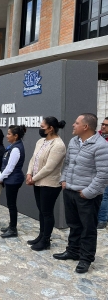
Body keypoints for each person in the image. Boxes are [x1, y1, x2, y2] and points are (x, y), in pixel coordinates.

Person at [53, 113, 108, 274]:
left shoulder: (101, 146)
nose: (73, 125)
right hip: (69, 191)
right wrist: (63, 180)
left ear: (86, 127)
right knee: (74, 225)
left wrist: (88, 192)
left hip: (87, 195)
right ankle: (73, 251)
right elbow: (68, 163)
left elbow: (103, 174)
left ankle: (86, 258)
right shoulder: (73, 141)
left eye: (76, 123)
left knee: (88, 228)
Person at [26, 117, 66, 250]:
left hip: (50, 184)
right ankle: (41, 235)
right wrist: (29, 174)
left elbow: (49, 167)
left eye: (43, 127)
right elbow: (33, 158)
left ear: (51, 129)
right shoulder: (40, 141)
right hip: (37, 182)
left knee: (47, 212)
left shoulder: (58, 145)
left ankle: (46, 240)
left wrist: (34, 178)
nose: (40, 129)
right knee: (41, 210)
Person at [0, 125, 26, 238]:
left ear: (16, 136)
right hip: (10, 179)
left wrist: (0, 177)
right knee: (10, 204)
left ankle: (13, 229)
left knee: (11, 205)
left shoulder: (16, 149)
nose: (7, 135)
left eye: (9, 134)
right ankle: (11, 226)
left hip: (13, 180)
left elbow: (10, 167)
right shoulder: (12, 146)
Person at [97, 117, 108, 229]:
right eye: (103, 124)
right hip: (96, 171)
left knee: (104, 196)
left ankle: (102, 220)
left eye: (106, 125)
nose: (103, 126)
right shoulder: (97, 135)